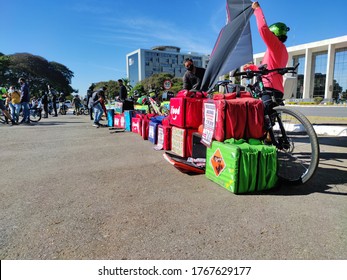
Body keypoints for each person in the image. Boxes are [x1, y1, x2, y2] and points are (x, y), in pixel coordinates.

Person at [248, 2, 290, 107]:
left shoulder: (275, 45)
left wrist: (257, 10)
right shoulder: (283, 50)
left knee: (258, 115)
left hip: (269, 88)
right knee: (270, 121)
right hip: (278, 89)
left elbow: (263, 28)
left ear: (274, 34)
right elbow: (269, 69)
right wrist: (252, 67)